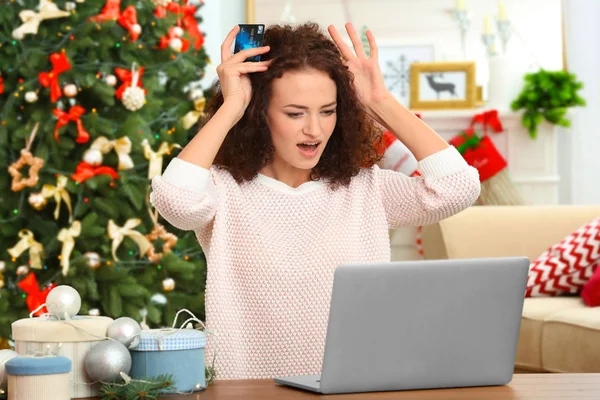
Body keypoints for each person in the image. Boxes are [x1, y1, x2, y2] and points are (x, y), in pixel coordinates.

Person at [150, 22, 481, 380]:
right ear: (259, 115)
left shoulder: (365, 189)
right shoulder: (224, 189)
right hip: (246, 390)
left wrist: (379, 101)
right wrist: (232, 107)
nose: (315, 129)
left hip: (354, 385)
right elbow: (176, 202)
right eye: (295, 113)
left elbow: (458, 188)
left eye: (327, 111)